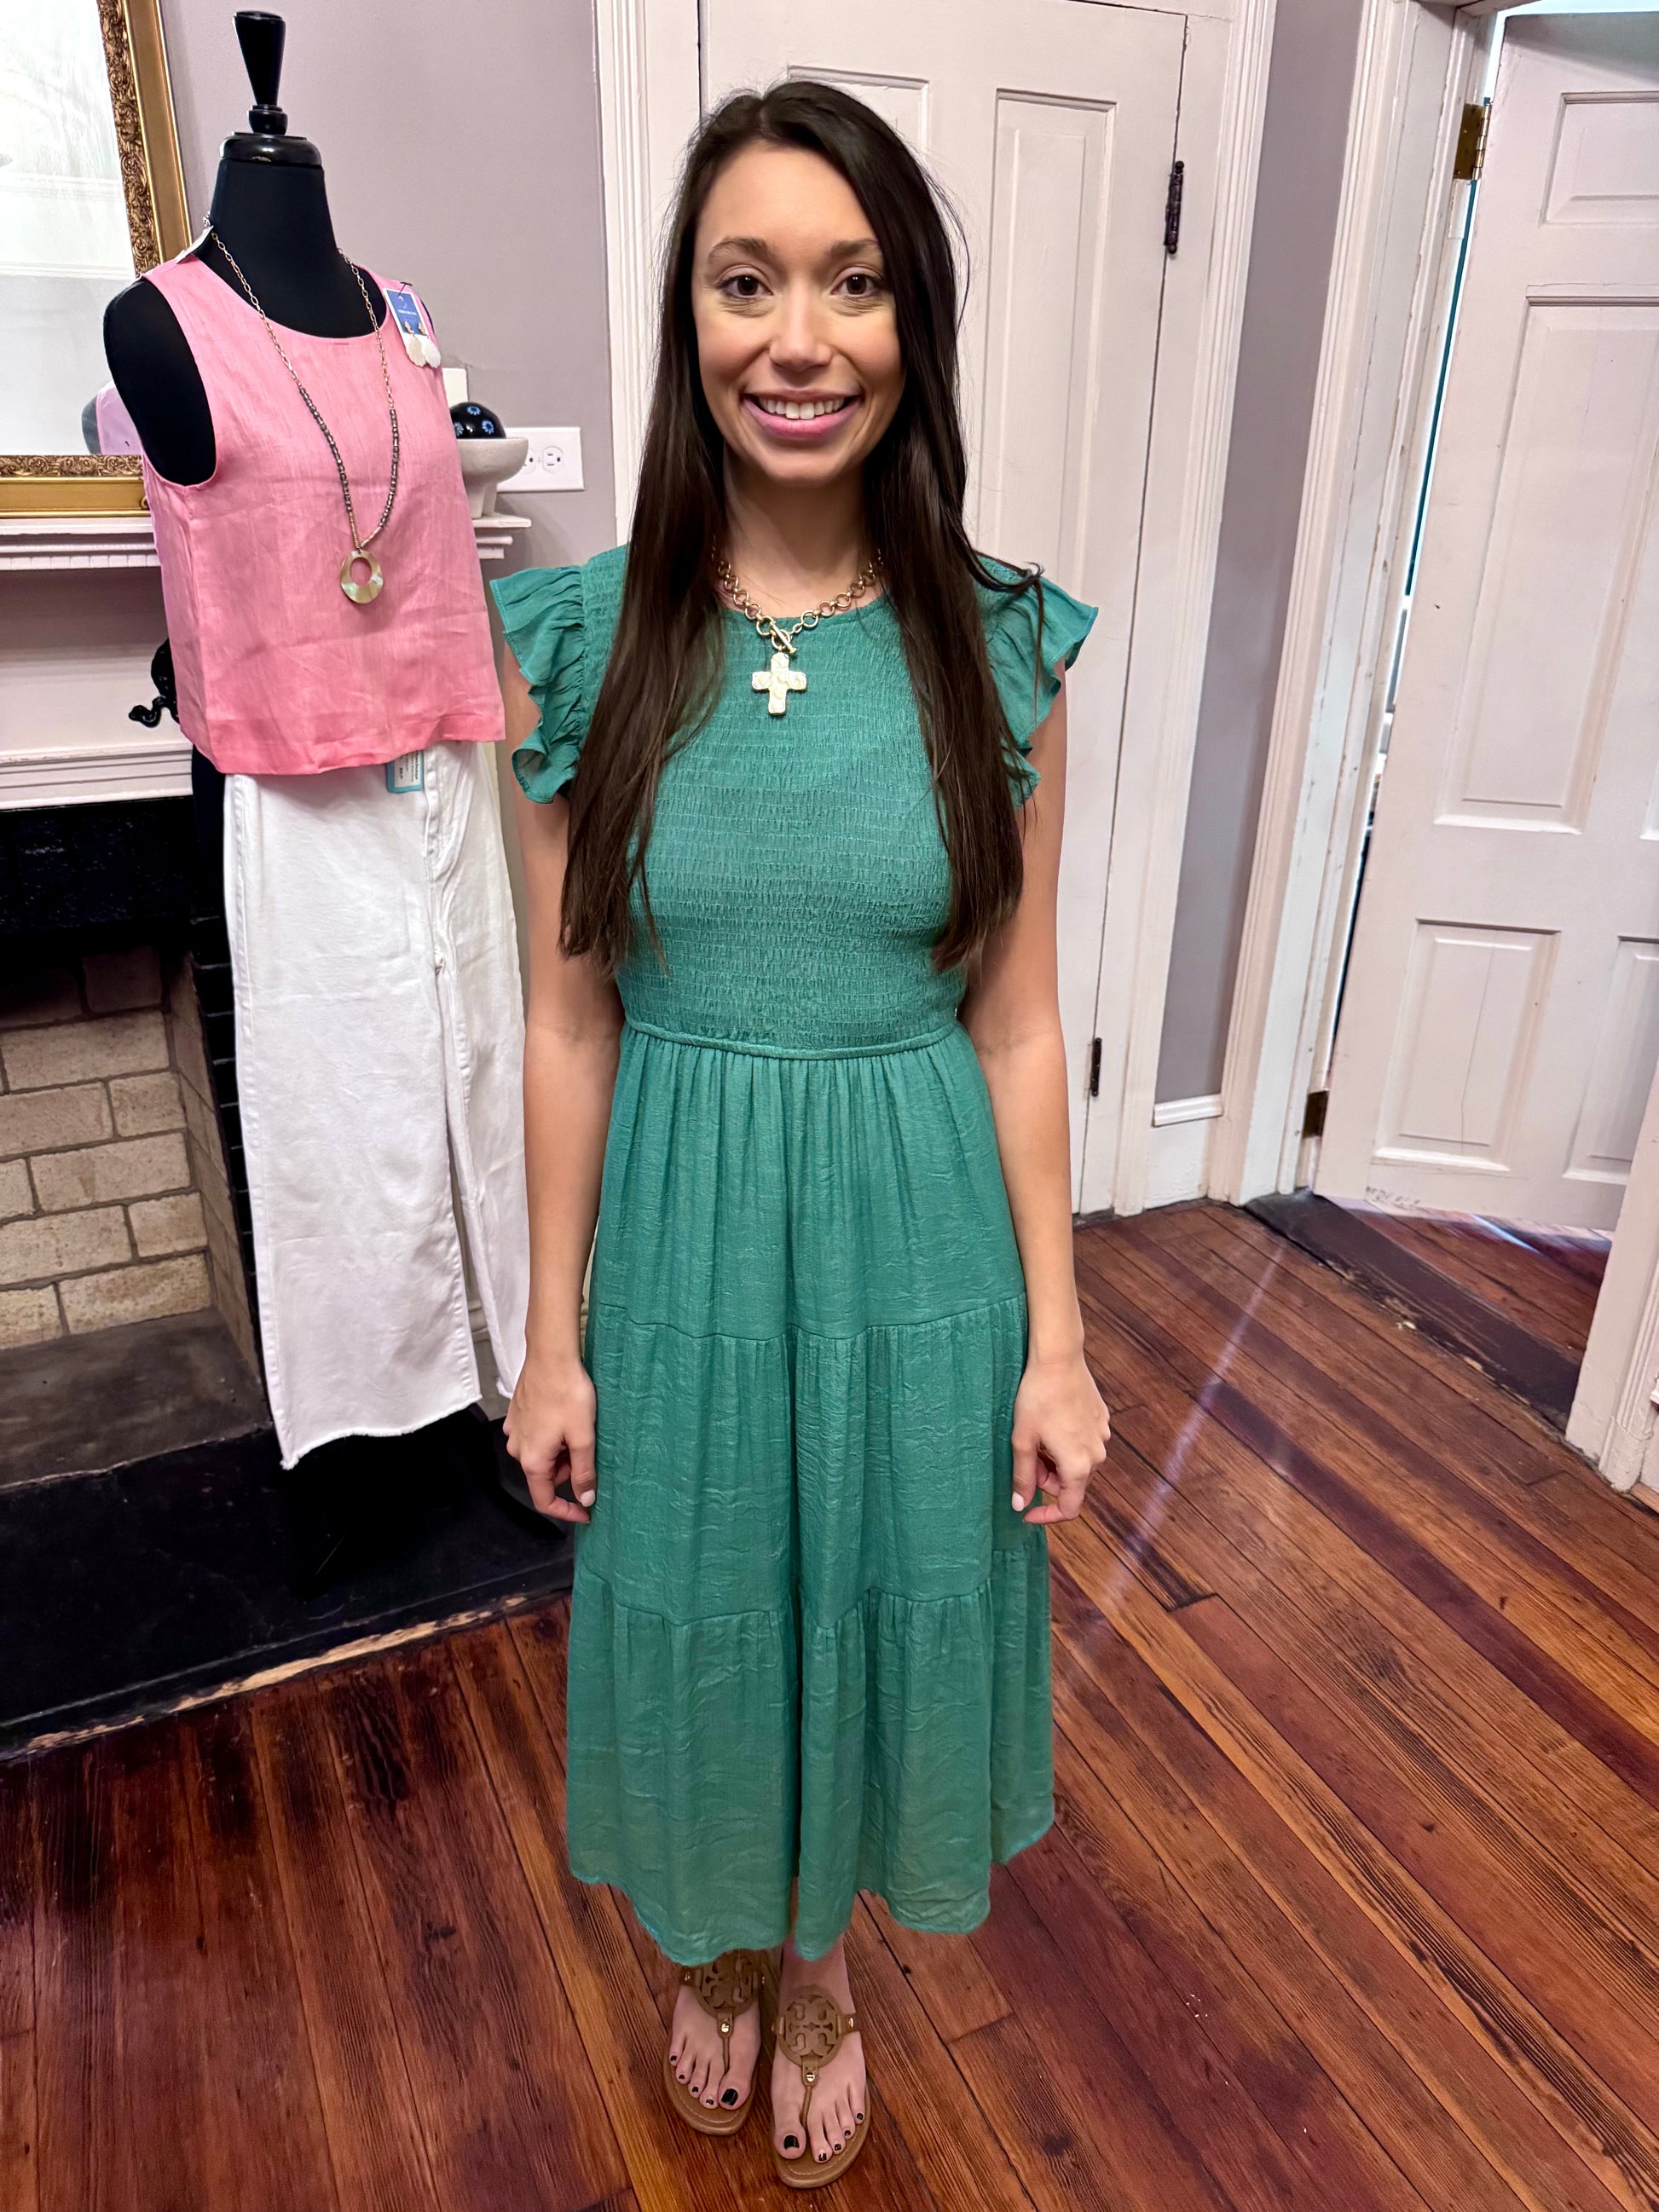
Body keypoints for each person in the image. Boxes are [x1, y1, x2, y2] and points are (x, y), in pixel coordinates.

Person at [494, 78, 1112, 2190]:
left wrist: (1059, 1338)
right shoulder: (576, 643)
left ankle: (820, 1957)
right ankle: (712, 1937)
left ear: (911, 322)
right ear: (686, 316)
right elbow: (564, 1017)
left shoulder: (1001, 646)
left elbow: (1016, 1020)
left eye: (853, 284)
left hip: (917, 1241)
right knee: (698, 1590)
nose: (799, 337)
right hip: (679, 1234)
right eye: (744, 281)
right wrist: (551, 1335)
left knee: (865, 1592)